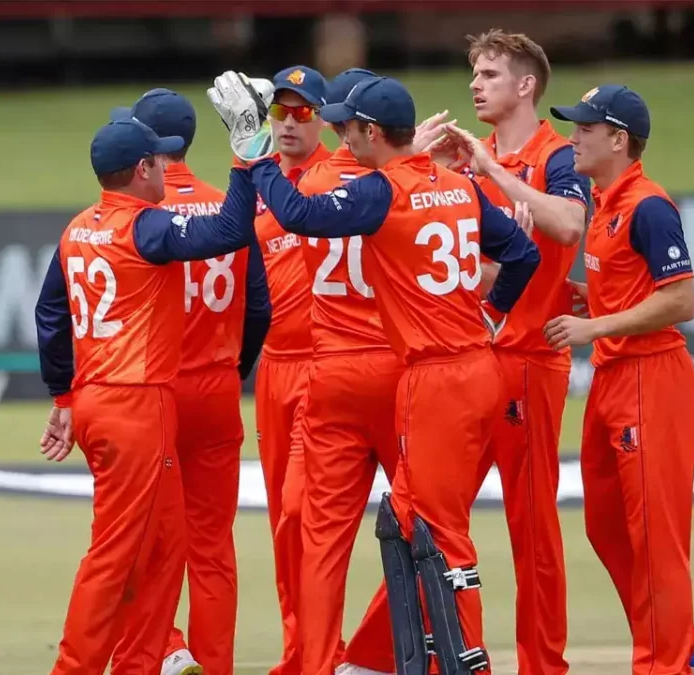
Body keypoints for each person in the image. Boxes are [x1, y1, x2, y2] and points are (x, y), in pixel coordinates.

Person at [217, 73, 541, 675]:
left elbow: (295, 211)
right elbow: (522, 252)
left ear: (367, 133)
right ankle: (405, 656)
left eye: (344, 124)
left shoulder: (343, 184)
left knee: (330, 537)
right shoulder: (455, 186)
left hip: (376, 371)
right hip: (439, 366)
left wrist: (253, 149)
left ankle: (333, 662)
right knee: (429, 523)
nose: (337, 131)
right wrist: (493, 313)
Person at [33, 116, 258, 675]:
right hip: (136, 404)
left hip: (98, 399)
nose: (166, 167)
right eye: (159, 161)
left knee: (164, 548)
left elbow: (49, 314)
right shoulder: (145, 228)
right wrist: (245, 157)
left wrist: (62, 398)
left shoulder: (79, 227)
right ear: (142, 170)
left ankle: (139, 663)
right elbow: (230, 230)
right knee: (117, 556)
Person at [543, 84, 694, 675]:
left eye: (585, 128)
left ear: (618, 139)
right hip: (612, 378)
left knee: (655, 536)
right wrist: (592, 299)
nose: (573, 137)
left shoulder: (648, 205)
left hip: (651, 378)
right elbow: (631, 287)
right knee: (605, 524)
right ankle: (685, 640)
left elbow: (681, 301)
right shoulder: (607, 201)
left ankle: (665, 662)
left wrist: (595, 325)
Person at [435, 29, 592, 675]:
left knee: (533, 532)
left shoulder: (555, 156)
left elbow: (568, 225)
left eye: (491, 73)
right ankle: (388, 654)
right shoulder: (461, 162)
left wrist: (493, 171)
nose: (476, 83)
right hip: (465, 360)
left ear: (526, 86)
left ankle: (542, 665)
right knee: (429, 519)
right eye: (475, 71)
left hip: (529, 360)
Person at [109, 88, 272, 675]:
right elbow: (258, 305)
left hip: (151, 392)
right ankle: (212, 663)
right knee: (212, 547)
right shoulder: (224, 206)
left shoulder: (136, 213)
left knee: (141, 542)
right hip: (217, 386)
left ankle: (166, 651)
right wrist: (235, 365)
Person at [290, 67, 403, 675]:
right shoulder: (400, 184)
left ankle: (316, 663)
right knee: (425, 524)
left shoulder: (312, 181)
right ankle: (420, 656)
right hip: (396, 367)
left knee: (322, 541)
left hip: (329, 369)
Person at [252, 64, 333, 675]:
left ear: (323, 117)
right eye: (279, 112)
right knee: (283, 520)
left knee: (305, 510)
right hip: (274, 369)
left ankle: (326, 652)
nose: (288, 123)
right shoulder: (256, 182)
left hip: (329, 364)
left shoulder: (338, 177)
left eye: (302, 112)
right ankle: (299, 651)